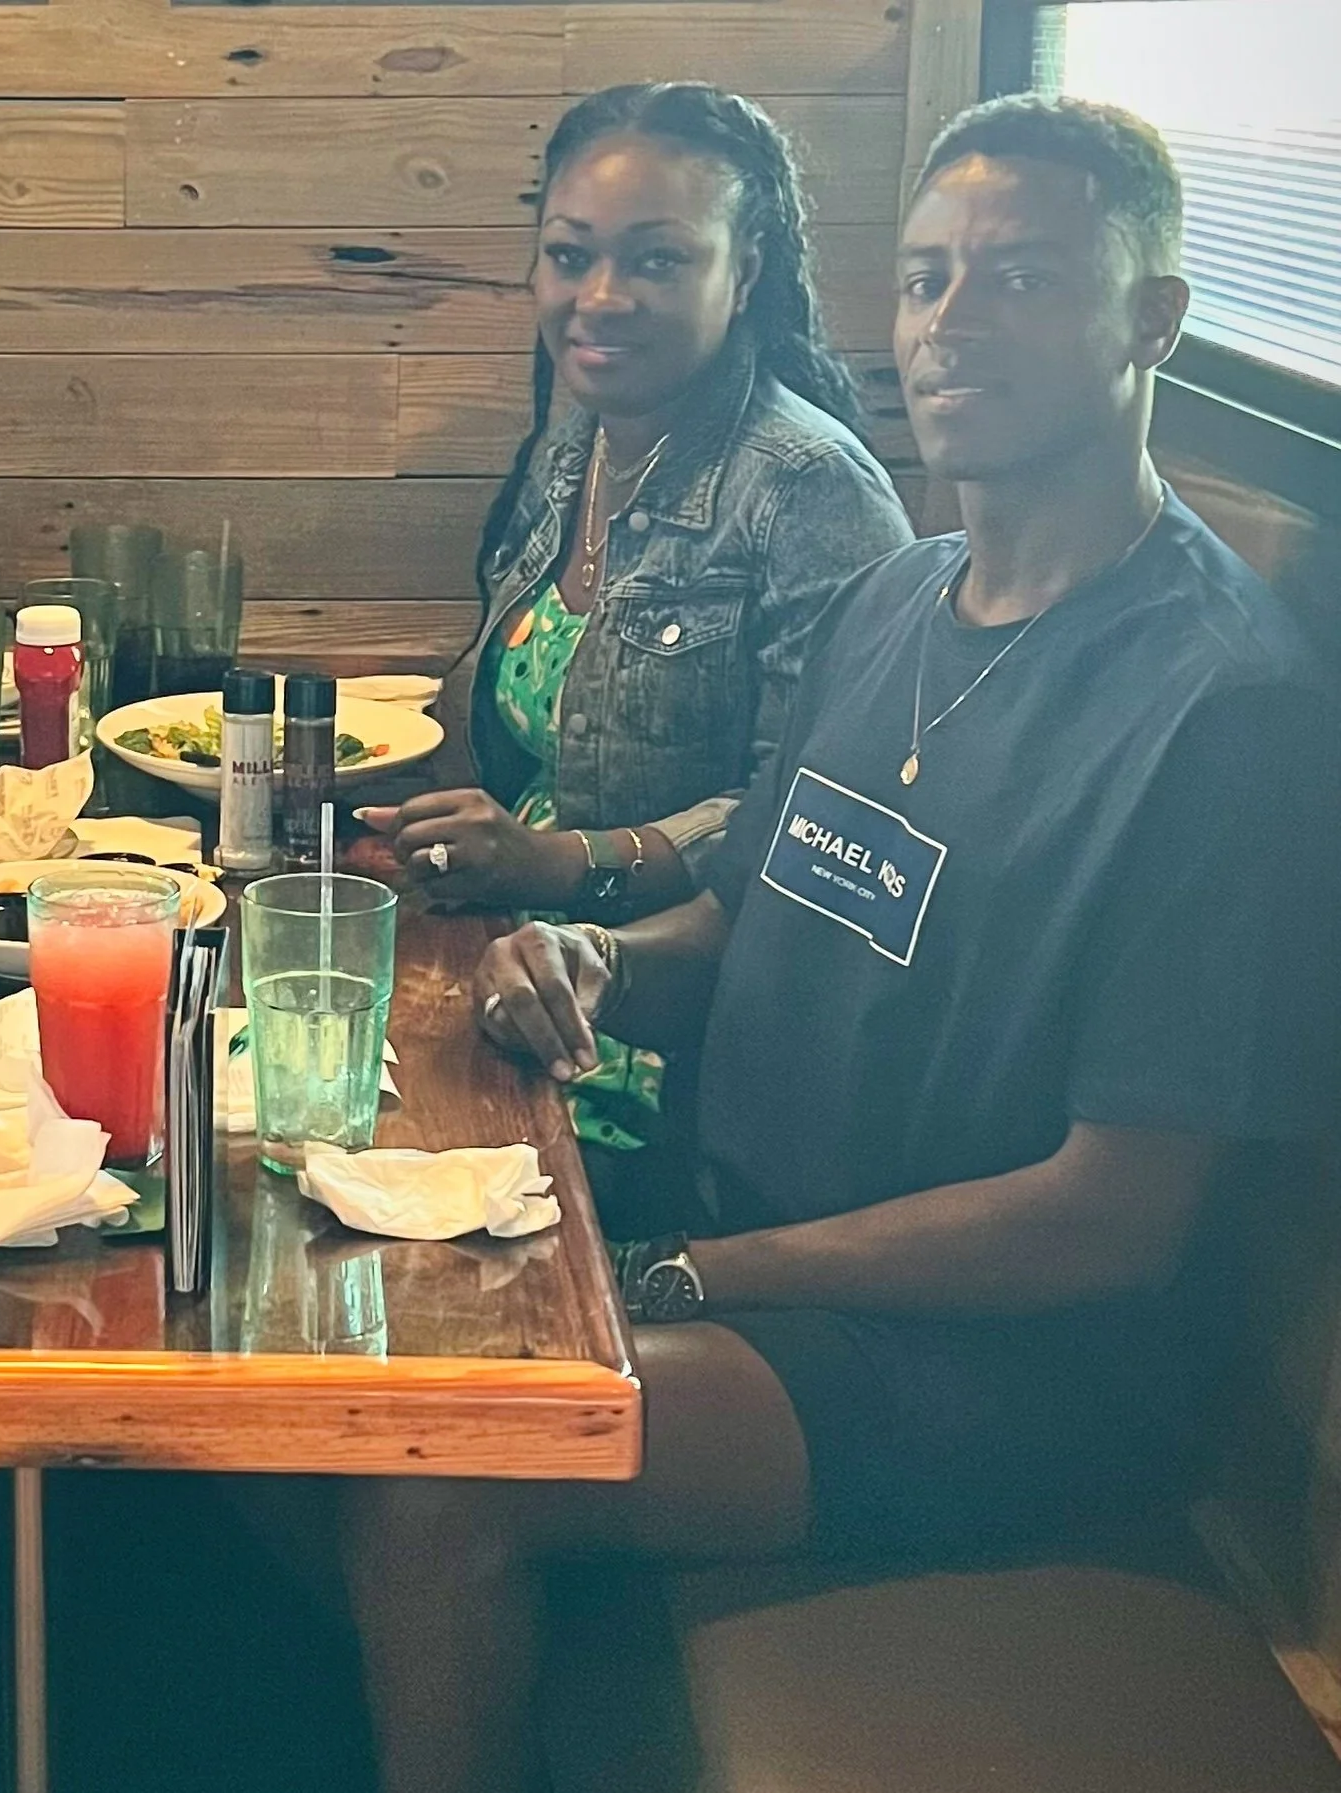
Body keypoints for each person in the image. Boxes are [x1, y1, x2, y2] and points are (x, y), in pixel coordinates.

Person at [341, 96, 1340, 1793]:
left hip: (1002, 1361)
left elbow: (1113, 1218)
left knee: (433, 1467)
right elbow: (751, 906)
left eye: (1018, 279)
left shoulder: (1222, 709)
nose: (952, 323)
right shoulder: (907, 594)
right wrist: (599, 962)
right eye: (932, 277)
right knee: (338, 1299)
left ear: (1152, 319)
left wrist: (704, 1277)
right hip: (759, 1231)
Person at [357, 83, 912, 1164]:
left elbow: (802, 824)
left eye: (656, 260)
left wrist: (564, 863)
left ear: (744, 274)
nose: (600, 296)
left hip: (653, 1049)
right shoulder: (580, 443)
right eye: (571, 255)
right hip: (505, 973)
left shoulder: (812, 491)